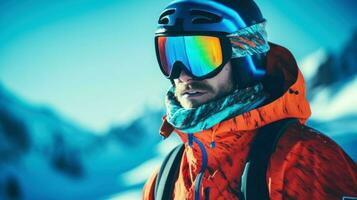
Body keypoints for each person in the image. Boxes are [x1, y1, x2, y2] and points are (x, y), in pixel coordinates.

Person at [143, 0, 357, 199]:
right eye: (170, 57)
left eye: (201, 57)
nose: (182, 74)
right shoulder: (163, 180)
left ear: (244, 58)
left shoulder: (304, 161)